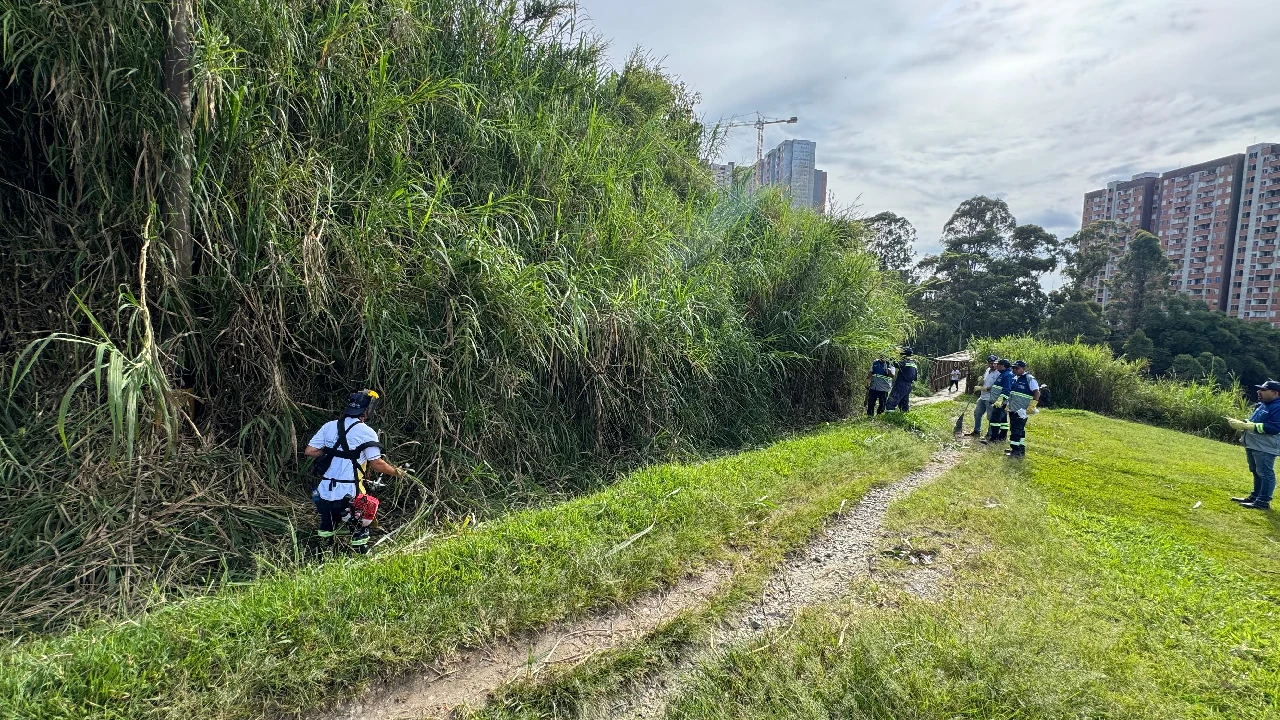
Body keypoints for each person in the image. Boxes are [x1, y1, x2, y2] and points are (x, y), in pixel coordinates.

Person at [305, 389, 406, 550]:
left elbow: (310, 451)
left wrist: (332, 451)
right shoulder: (367, 432)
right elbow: (377, 464)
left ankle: (323, 555)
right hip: (350, 492)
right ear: (367, 410)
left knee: (327, 525)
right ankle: (360, 557)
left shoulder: (330, 426)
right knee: (360, 528)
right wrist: (397, 472)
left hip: (324, 491)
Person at [1226, 380, 1280, 510]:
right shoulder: (1263, 404)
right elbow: (1254, 422)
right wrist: (1243, 422)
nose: (1258, 391)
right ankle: (1255, 497)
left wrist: (1249, 426)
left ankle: (1263, 502)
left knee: (1265, 473)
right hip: (1254, 444)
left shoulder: (1278, 407)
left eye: (1262, 389)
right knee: (1256, 471)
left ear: (1274, 393)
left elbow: (1274, 427)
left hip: (1266, 446)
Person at [1004, 360, 1040, 458]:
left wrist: (1033, 405)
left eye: (1017, 368)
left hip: (1021, 411)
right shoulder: (1015, 378)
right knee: (1019, 430)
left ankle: (1015, 452)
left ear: (1023, 369)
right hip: (1013, 409)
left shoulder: (1029, 379)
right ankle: (1020, 449)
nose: (1014, 370)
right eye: (1013, 368)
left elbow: (1037, 392)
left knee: (1016, 430)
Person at [981, 358, 1013, 444]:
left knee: (995, 420)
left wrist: (1000, 400)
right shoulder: (1003, 374)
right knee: (1003, 421)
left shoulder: (1008, 375)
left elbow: (1007, 389)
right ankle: (1002, 437)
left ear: (1002, 366)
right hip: (997, 401)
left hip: (1000, 402)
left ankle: (993, 439)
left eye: (998, 364)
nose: (996, 366)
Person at [970, 355, 1000, 438]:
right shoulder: (987, 370)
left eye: (994, 363)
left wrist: (982, 388)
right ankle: (976, 431)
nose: (993, 365)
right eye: (991, 363)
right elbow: (985, 381)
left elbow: (996, 388)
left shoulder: (998, 374)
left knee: (990, 417)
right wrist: (981, 380)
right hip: (982, 397)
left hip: (991, 398)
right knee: (977, 413)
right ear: (988, 364)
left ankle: (990, 434)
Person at [886, 347, 919, 412]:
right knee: (904, 404)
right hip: (908, 386)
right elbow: (915, 378)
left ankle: (889, 418)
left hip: (901, 385)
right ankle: (903, 416)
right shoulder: (914, 364)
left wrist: (889, 356)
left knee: (891, 402)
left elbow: (893, 363)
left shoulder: (904, 362)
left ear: (903, 354)